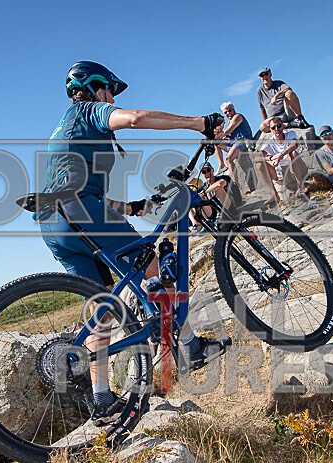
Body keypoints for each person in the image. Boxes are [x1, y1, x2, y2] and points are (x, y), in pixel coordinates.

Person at [38, 61, 229, 425]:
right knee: (150, 263)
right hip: (78, 208)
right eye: (110, 90)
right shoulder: (86, 111)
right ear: (95, 87)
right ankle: (189, 346)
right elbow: (137, 118)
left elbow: (80, 190)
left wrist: (131, 207)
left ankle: (101, 400)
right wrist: (197, 124)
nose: (113, 98)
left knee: (102, 308)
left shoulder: (64, 129)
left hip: (55, 222)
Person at [258, 117, 308, 202]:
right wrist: (271, 157)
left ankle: (300, 187)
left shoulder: (290, 133)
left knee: (293, 153)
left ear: (283, 126)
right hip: (283, 173)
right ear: (270, 130)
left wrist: (280, 155)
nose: (276, 129)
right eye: (273, 127)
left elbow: (294, 145)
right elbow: (257, 157)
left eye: (279, 126)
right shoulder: (269, 142)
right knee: (259, 164)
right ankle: (274, 194)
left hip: (297, 169)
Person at [256, 67, 310, 133]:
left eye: (266, 74)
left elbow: (288, 89)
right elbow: (262, 109)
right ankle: (290, 124)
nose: (264, 77)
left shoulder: (279, 83)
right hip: (275, 119)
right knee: (262, 127)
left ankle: (300, 119)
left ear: (270, 74)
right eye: (262, 75)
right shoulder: (260, 90)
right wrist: (265, 121)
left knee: (289, 93)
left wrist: (276, 96)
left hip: (287, 113)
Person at [214, 102, 253, 187]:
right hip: (233, 142)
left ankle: (237, 184)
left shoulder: (237, 116)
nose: (228, 113)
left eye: (230, 110)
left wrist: (218, 135)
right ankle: (222, 166)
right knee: (215, 143)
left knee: (228, 159)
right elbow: (227, 136)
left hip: (242, 141)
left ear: (234, 109)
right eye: (225, 112)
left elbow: (228, 131)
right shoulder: (229, 121)